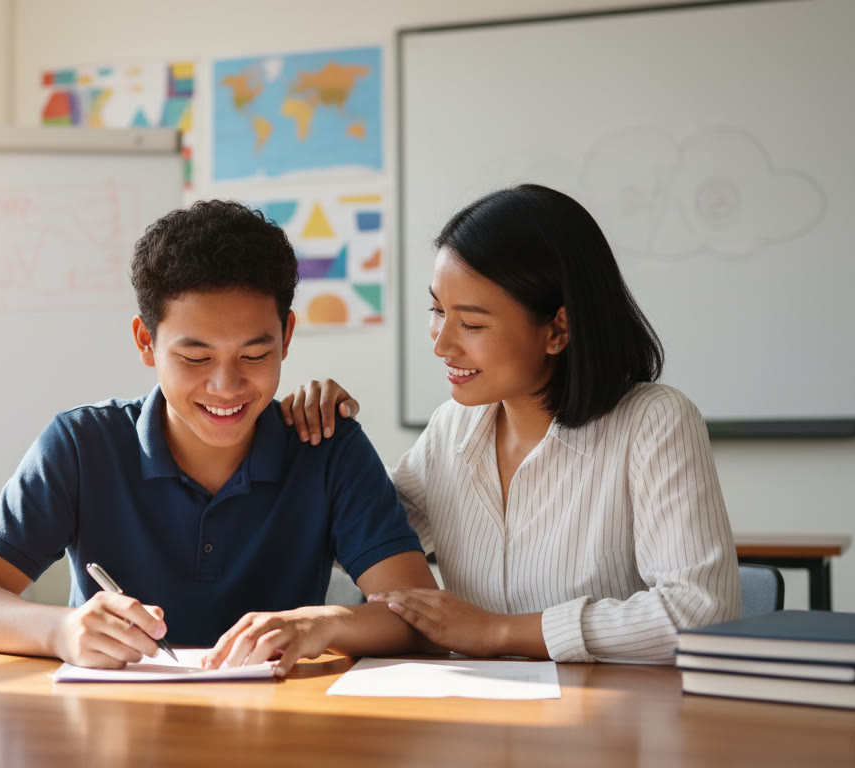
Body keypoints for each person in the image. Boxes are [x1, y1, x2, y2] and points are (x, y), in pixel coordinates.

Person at [0, 200, 437, 676]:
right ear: (146, 342)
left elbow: (422, 620)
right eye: (195, 357)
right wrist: (61, 630)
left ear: (286, 337)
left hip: (277, 727)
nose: (226, 386)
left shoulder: (326, 445)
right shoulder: (82, 445)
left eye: (255, 356)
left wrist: (316, 624)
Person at [281, 184, 741, 664]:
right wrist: (317, 439)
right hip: (476, 716)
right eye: (438, 311)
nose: (441, 344)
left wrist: (499, 632)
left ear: (558, 329)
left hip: (611, 721)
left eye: (472, 324)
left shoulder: (655, 422)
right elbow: (357, 534)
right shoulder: (452, 428)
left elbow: (699, 613)